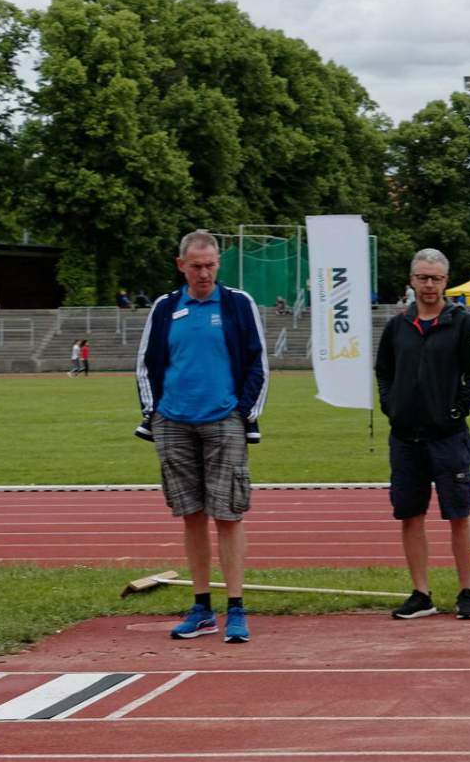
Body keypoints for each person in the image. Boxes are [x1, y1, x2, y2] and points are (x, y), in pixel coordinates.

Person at [134, 229, 269, 642]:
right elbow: (145, 364)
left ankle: (236, 608)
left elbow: (258, 363)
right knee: (191, 515)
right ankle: (201, 607)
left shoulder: (238, 304)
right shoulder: (165, 307)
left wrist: (243, 414)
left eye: (210, 265)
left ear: (218, 264)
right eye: (196, 266)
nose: (204, 273)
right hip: (173, 423)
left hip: (224, 421)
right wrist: (154, 414)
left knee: (228, 514)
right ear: (181, 266)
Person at [376, 248, 470, 620]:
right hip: (405, 437)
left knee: (459, 514)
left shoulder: (462, 323)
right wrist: (391, 405)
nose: (429, 285)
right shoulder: (397, 326)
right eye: (423, 277)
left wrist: (456, 410)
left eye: (436, 278)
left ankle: (466, 592)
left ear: (445, 281)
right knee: (411, 515)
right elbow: (384, 371)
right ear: (412, 280)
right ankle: (421, 594)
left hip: (448, 437)